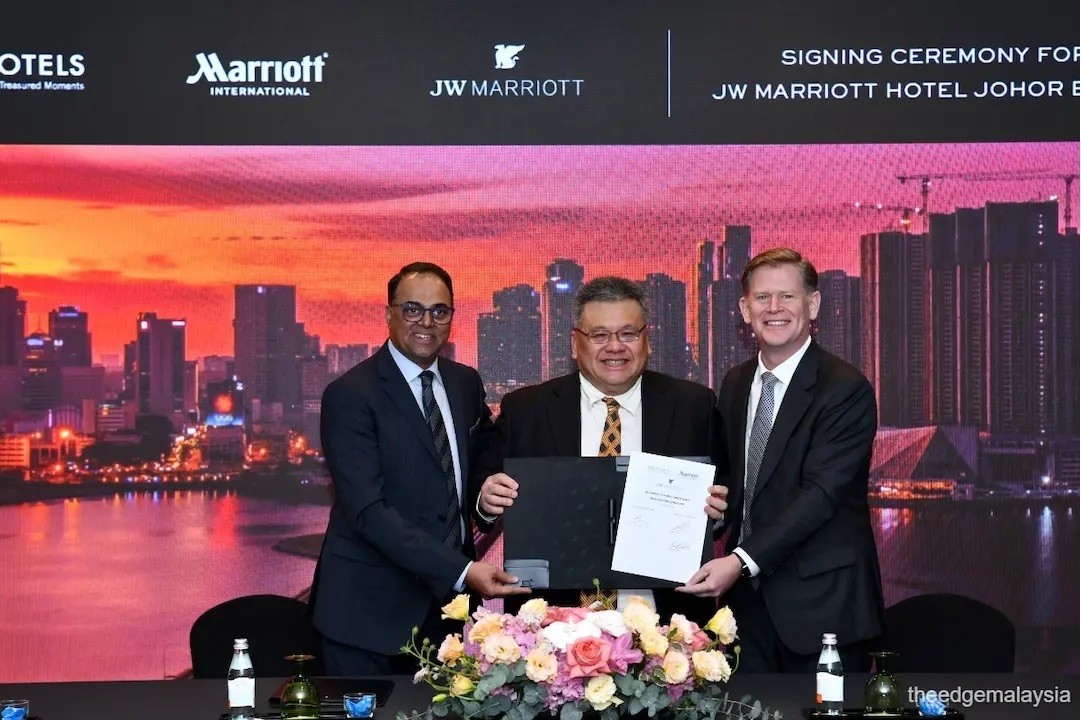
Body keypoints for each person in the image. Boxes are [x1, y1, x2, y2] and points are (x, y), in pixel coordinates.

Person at [310, 262, 529, 676]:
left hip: (451, 616)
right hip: (369, 619)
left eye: (439, 311)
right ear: (389, 313)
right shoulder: (350, 395)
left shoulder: (465, 383)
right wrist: (463, 570)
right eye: (412, 309)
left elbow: (478, 466)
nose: (426, 322)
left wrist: (483, 502)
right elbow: (367, 512)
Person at [472, 275, 728, 624]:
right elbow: (482, 490)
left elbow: (723, 499)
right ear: (575, 344)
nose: (615, 347)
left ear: (646, 340)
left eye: (628, 334)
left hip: (668, 630)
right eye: (599, 335)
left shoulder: (693, 406)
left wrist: (716, 512)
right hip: (550, 631)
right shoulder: (526, 409)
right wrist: (486, 500)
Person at [676, 248, 885, 672]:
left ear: (812, 304)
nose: (775, 309)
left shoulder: (845, 389)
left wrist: (738, 561)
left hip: (823, 609)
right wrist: (716, 510)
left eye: (787, 297)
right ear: (744, 308)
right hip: (745, 609)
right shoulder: (736, 383)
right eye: (763, 298)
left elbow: (821, 496)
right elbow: (738, 479)